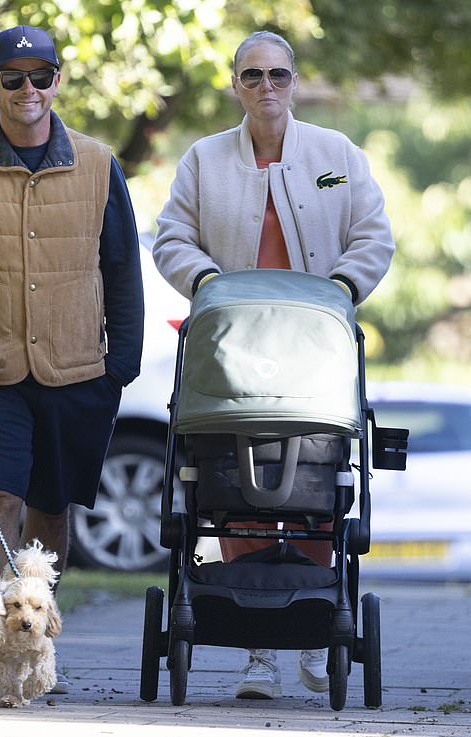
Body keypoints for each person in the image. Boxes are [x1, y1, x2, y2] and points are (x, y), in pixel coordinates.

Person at [152, 31, 394, 699]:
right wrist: (206, 280)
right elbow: (172, 235)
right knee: (239, 496)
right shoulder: (204, 160)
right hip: (236, 358)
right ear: (236, 85)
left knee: (314, 496)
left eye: (279, 76)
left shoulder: (335, 155)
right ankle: (259, 652)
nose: (267, 88)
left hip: (312, 356)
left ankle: (316, 637)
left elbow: (373, 232)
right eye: (253, 76)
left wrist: (342, 287)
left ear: (294, 82)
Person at [0, 22, 144, 667]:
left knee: (51, 506)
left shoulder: (99, 163)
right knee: (1, 498)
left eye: (40, 76)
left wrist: (120, 363)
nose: (27, 89)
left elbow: (122, 265)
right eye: (13, 79)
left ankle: (34, 647)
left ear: (56, 81)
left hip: (78, 370)